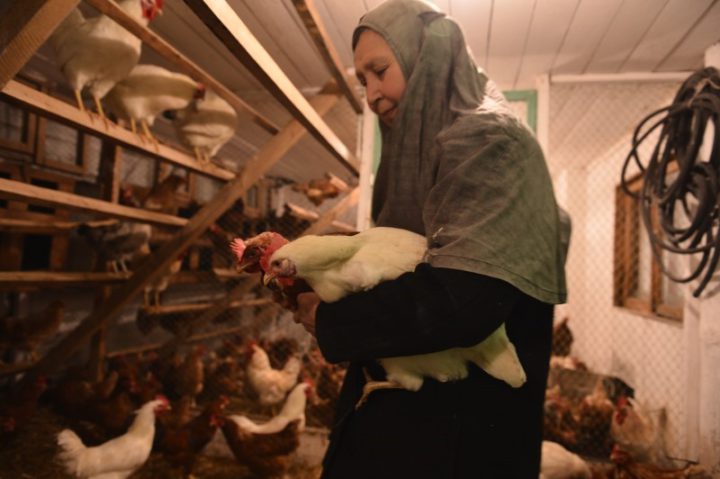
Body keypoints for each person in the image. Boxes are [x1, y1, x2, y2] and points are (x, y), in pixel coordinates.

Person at [293, 1, 570, 477]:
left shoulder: (488, 142)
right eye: (362, 81)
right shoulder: (429, 155)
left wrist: (331, 319)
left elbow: (463, 299)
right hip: (419, 421)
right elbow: (405, 263)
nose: (372, 95)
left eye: (380, 71)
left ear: (428, 60)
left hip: (457, 434)